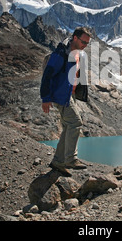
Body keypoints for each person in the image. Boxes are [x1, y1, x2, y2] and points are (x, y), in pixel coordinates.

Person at [40, 27, 91, 176]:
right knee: (75, 123)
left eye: (87, 44)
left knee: (68, 126)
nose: (85, 46)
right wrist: (46, 98)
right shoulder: (61, 54)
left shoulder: (78, 53)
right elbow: (48, 75)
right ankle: (70, 158)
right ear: (75, 38)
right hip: (61, 95)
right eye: (83, 42)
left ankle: (58, 161)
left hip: (69, 94)